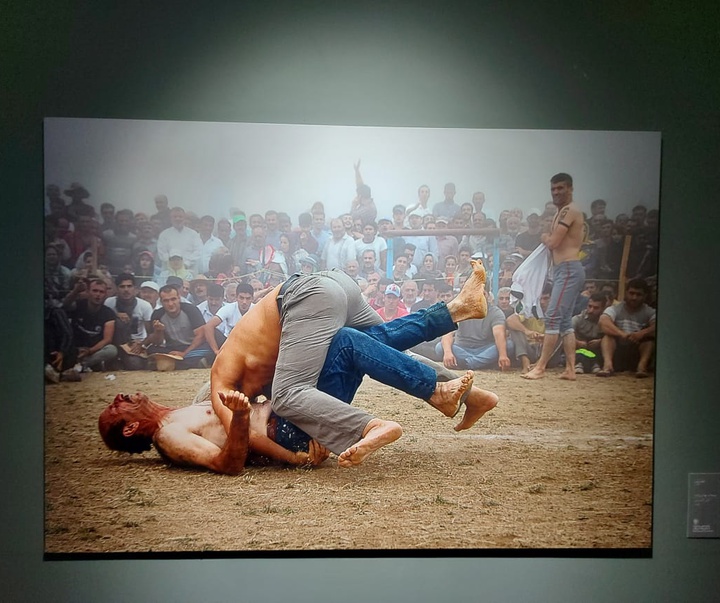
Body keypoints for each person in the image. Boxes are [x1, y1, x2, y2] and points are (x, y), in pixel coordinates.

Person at [210, 261, 495, 468]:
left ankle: (376, 422)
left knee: (287, 395)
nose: (251, 401)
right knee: (379, 346)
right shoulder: (253, 365)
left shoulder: (221, 381)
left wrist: (293, 458)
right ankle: (459, 319)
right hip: (336, 283)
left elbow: (241, 435)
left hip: (308, 296)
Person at [523, 173, 585, 381]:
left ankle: (540, 367)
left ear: (570, 188)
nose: (556, 192)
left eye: (560, 188)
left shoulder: (570, 211)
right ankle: (570, 369)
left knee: (553, 316)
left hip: (568, 269)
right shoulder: (564, 211)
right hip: (564, 269)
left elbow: (554, 242)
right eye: (554, 189)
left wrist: (543, 237)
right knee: (565, 321)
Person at [437, 289, 513, 371]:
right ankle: (482, 363)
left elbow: (499, 334)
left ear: (486, 294)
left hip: (485, 348)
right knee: (440, 347)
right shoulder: (458, 309)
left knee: (509, 345)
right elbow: (447, 333)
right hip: (462, 348)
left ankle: (468, 363)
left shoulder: (495, 312)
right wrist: (448, 353)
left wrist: (503, 355)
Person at [141, 284, 214, 369]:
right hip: (172, 348)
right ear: (161, 301)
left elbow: (201, 336)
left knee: (208, 349)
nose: (170, 304)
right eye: (166, 301)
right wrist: (158, 331)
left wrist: (184, 353)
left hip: (192, 346)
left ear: (179, 298)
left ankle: (172, 362)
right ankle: (189, 362)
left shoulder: (190, 310)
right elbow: (157, 342)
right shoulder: (158, 314)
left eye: (173, 299)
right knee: (152, 350)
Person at [597, 278, 656, 378]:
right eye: (631, 293)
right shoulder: (615, 309)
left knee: (649, 341)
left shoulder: (650, 312)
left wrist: (641, 334)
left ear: (645, 296)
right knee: (607, 337)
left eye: (638, 294)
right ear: (626, 293)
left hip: (636, 351)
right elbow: (603, 322)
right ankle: (607, 366)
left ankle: (641, 367)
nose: (634, 297)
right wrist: (622, 334)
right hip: (618, 351)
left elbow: (657, 327)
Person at [63, 277, 118, 371]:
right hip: (75, 348)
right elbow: (65, 305)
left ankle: (81, 365)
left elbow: (107, 339)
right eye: (95, 291)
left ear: (105, 294)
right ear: (88, 292)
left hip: (94, 350)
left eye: (101, 292)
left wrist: (89, 351)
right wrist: (76, 291)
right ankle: (88, 365)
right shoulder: (78, 305)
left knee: (112, 350)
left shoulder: (109, 313)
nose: (98, 295)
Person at [104, 273, 153, 370]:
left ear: (135, 289)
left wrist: (141, 344)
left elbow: (150, 333)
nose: (126, 290)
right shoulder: (109, 303)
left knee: (135, 365)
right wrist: (115, 316)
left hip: (135, 344)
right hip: (115, 343)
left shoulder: (145, 306)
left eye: (129, 286)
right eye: (122, 286)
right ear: (117, 288)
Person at [204, 282, 255, 355]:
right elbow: (208, 326)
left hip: (250, 344)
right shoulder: (228, 308)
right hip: (229, 343)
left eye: (248, 298)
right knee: (214, 331)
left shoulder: (257, 309)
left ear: (252, 298)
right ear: (236, 297)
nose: (244, 302)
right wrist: (216, 350)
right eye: (241, 298)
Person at [156, 207, 203, 272]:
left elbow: (197, 251)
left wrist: (186, 264)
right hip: (170, 271)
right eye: (175, 217)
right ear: (170, 218)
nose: (177, 219)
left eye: (180, 217)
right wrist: (174, 265)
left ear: (184, 218)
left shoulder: (193, 234)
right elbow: (162, 254)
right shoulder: (164, 235)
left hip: (189, 270)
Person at [572, 292, 607, 374]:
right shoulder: (577, 319)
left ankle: (594, 365)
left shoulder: (606, 320)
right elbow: (566, 334)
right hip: (579, 350)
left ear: (603, 308)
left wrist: (600, 342)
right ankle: (582, 365)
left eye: (596, 308)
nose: (591, 310)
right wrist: (577, 342)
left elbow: (612, 337)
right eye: (589, 306)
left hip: (597, 351)